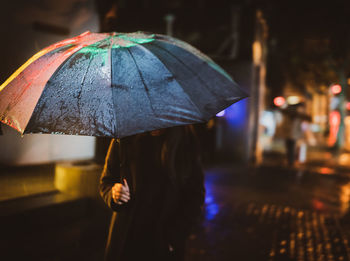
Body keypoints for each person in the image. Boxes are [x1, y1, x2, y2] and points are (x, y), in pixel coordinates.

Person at [99, 125, 205, 261]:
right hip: (127, 237)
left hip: (163, 239)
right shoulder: (124, 137)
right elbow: (106, 181)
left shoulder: (185, 141)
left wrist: (174, 237)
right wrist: (114, 193)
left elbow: (195, 195)